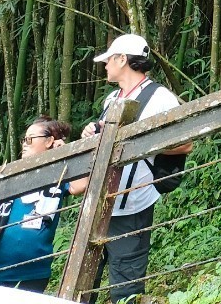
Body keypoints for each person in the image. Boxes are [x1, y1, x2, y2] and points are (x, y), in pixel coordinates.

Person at [82, 34, 191, 303]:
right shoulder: (111, 99)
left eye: (109, 59)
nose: (105, 65)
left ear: (123, 59)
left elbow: (185, 144)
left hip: (133, 203)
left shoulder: (160, 97)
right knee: (86, 277)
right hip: (100, 200)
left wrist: (137, 147)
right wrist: (93, 132)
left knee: (125, 283)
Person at [0, 117, 89, 292]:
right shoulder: (7, 173)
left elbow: (80, 185)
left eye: (30, 139)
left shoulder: (59, 174)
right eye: (24, 139)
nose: (25, 144)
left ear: (49, 141)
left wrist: (67, 153)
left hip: (35, 269)